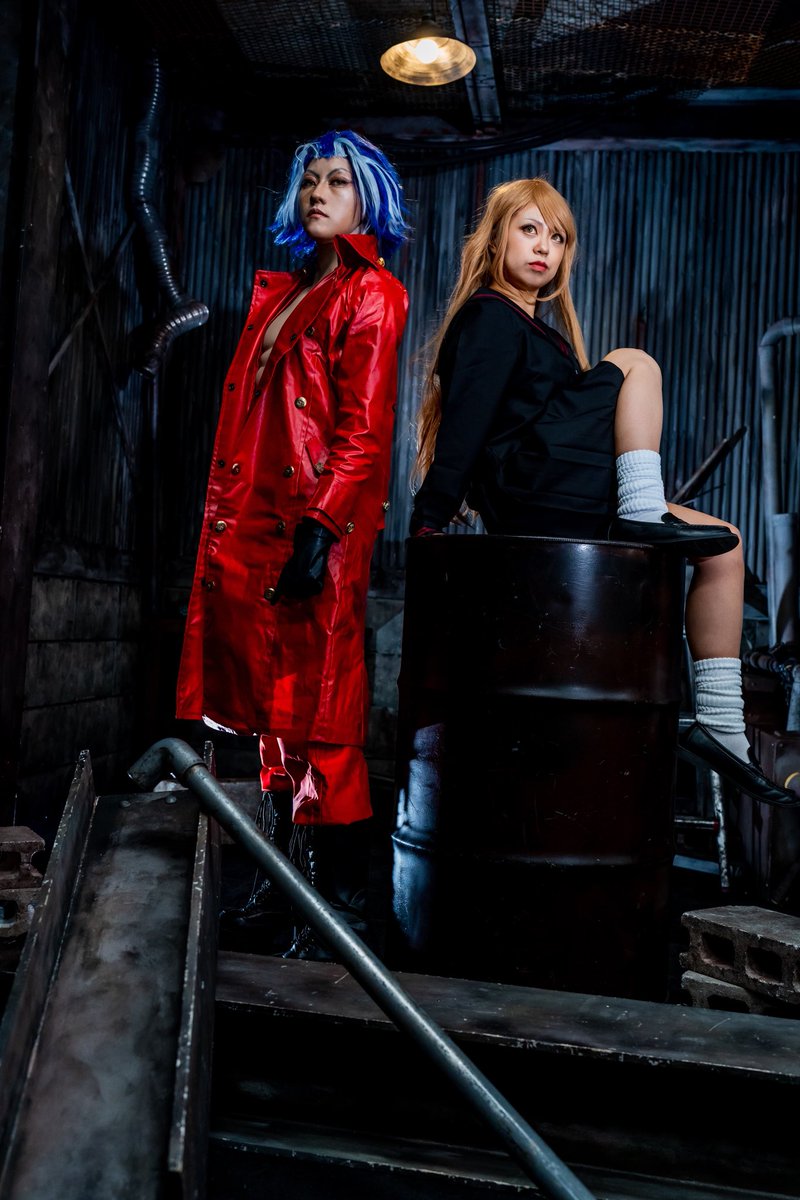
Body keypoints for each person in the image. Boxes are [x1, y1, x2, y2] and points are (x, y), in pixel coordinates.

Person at [410, 176, 795, 805]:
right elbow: (467, 419)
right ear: (496, 239)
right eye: (529, 230)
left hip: (566, 489)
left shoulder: (543, 333)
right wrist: (429, 515)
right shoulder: (489, 315)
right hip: (534, 485)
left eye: (558, 237)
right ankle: (641, 509)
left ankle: (722, 727)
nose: (544, 247)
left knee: (725, 545)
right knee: (636, 362)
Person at [176, 129, 411, 958]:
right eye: (310, 180)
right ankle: (282, 895)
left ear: (367, 199)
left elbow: (365, 429)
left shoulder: (372, 292)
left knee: (324, 724)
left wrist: (321, 527)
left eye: (338, 182)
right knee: (270, 722)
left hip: (314, 530)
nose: (318, 193)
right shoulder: (283, 293)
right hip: (257, 531)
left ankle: (342, 912)